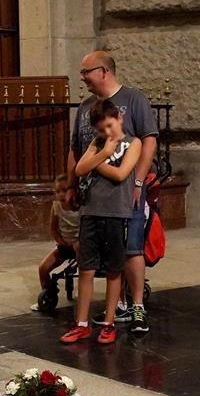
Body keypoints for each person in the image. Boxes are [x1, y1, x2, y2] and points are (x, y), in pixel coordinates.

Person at [68, 50, 158, 334]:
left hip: (125, 191)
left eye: (87, 72)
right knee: (94, 257)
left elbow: (149, 142)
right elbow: (76, 148)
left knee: (129, 248)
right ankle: (115, 307)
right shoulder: (85, 106)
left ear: (104, 71)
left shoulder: (134, 100)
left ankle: (137, 306)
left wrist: (138, 183)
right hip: (92, 198)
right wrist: (71, 184)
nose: (83, 78)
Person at [60, 99, 142, 345]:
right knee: (86, 268)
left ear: (119, 118)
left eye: (109, 125)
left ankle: (108, 323)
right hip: (91, 211)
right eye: (102, 129)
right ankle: (82, 324)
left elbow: (120, 173)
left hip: (116, 212)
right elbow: (79, 169)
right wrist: (102, 153)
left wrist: (100, 159)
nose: (107, 132)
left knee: (114, 270)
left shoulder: (133, 143)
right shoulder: (97, 143)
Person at [31, 174, 80, 311]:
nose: (61, 195)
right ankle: (48, 293)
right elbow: (53, 229)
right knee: (43, 267)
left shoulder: (80, 206)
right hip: (64, 245)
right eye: (58, 191)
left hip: (80, 245)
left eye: (64, 190)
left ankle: (83, 293)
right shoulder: (56, 207)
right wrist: (61, 241)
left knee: (83, 268)